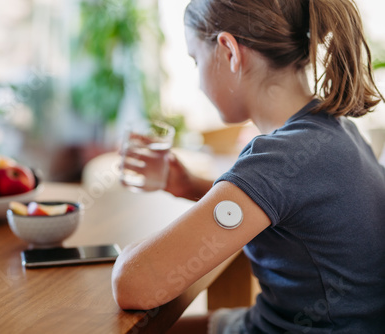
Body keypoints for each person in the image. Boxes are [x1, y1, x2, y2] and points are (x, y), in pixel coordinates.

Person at [111, 0, 385, 333]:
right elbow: (286, 204)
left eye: (195, 59)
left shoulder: (279, 157)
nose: (197, 82)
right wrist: (190, 185)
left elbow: (134, 283)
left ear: (229, 51)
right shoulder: (336, 130)